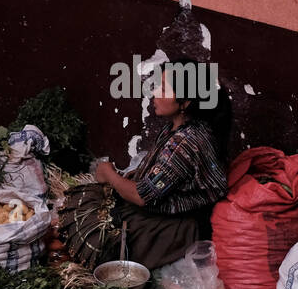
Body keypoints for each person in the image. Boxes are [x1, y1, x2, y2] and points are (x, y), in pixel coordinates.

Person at [92, 56, 230, 270]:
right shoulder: (177, 127)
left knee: (104, 239)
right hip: (169, 216)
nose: (155, 94)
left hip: (177, 228)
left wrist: (109, 174)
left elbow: (141, 195)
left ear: (185, 102)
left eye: (164, 89)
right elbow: (166, 173)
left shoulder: (185, 143)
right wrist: (138, 173)